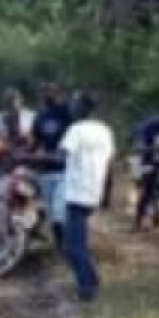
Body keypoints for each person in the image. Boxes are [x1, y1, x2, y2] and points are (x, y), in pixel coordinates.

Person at [60, 93, 116, 303]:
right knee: (78, 243)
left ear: (82, 108)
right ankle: (91, 278)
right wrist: (107, 195)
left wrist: (27, 158)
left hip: (76, 193)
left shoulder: (75, 130)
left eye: (74, 104)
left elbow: (60, 157)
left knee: (73, 246)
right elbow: (110, 165)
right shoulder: (105, 131)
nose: (71, 108)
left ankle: (87, 286)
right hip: (94, 192)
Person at [29, 85, 74, 245]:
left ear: (58, 94)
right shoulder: (40, 117)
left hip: (65, 169)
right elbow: (35, 142)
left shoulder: (66, 113)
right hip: (46, 170)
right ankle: (59, 243)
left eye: (51, 92)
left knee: (58, 211)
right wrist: (26, 155)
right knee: (51, 212)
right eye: (44, 92)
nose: (47, 95)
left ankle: (66, 245)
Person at [132, 111, 159, 232]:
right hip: (148, 163)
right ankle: (138, 221)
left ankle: (157, 218)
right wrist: (156, 148)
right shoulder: (147, 128)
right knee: (147, 191)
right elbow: (139, 148)